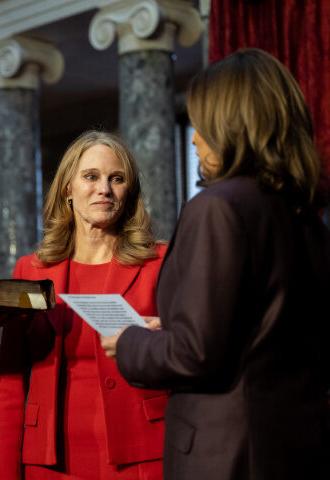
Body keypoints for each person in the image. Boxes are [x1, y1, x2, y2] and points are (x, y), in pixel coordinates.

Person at [103, 48, 330, 479]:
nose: (193, 138)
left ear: (230, 124)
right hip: (298, 448)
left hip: (228, 455)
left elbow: (195, 354)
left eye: (201, 123)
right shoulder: (306, 218)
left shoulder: (218, 208)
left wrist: (131, 342)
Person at [0, 131, 168, 480]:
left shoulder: (159, 263)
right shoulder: (31, 269)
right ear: (68, 189)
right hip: (49, 462)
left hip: (142, 457)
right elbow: (10, 382)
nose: (105, 188)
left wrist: (165, 336)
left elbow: (190, 352)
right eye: (91, 177)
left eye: (117, 179)